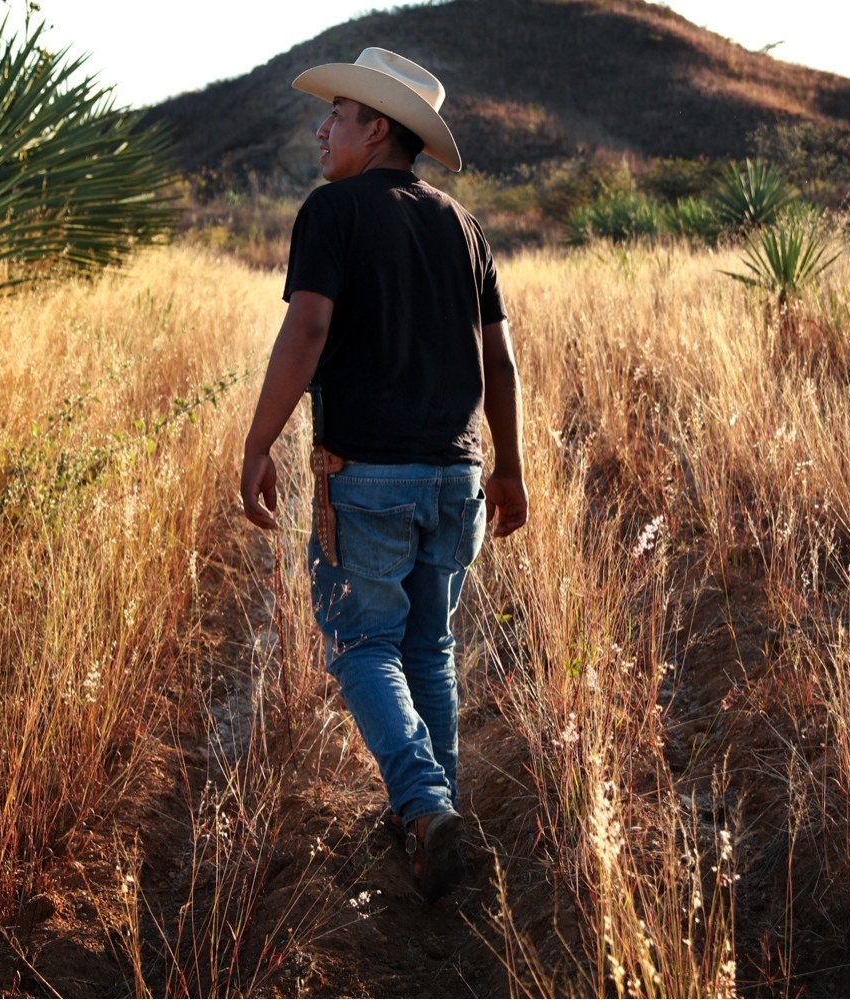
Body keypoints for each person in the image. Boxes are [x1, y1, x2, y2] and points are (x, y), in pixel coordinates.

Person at [239, 47, 528, 901]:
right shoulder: (461, 224)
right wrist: (508, 465)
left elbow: (308, 331)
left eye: (339, 115)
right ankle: (433, 823)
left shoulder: (332, 211)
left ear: (378, 130)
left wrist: (258, 441)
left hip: (365, 475)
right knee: (429, 650)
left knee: (363, 644)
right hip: (456, 476)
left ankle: (423, 801)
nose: (323, 127)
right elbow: (500, 361)